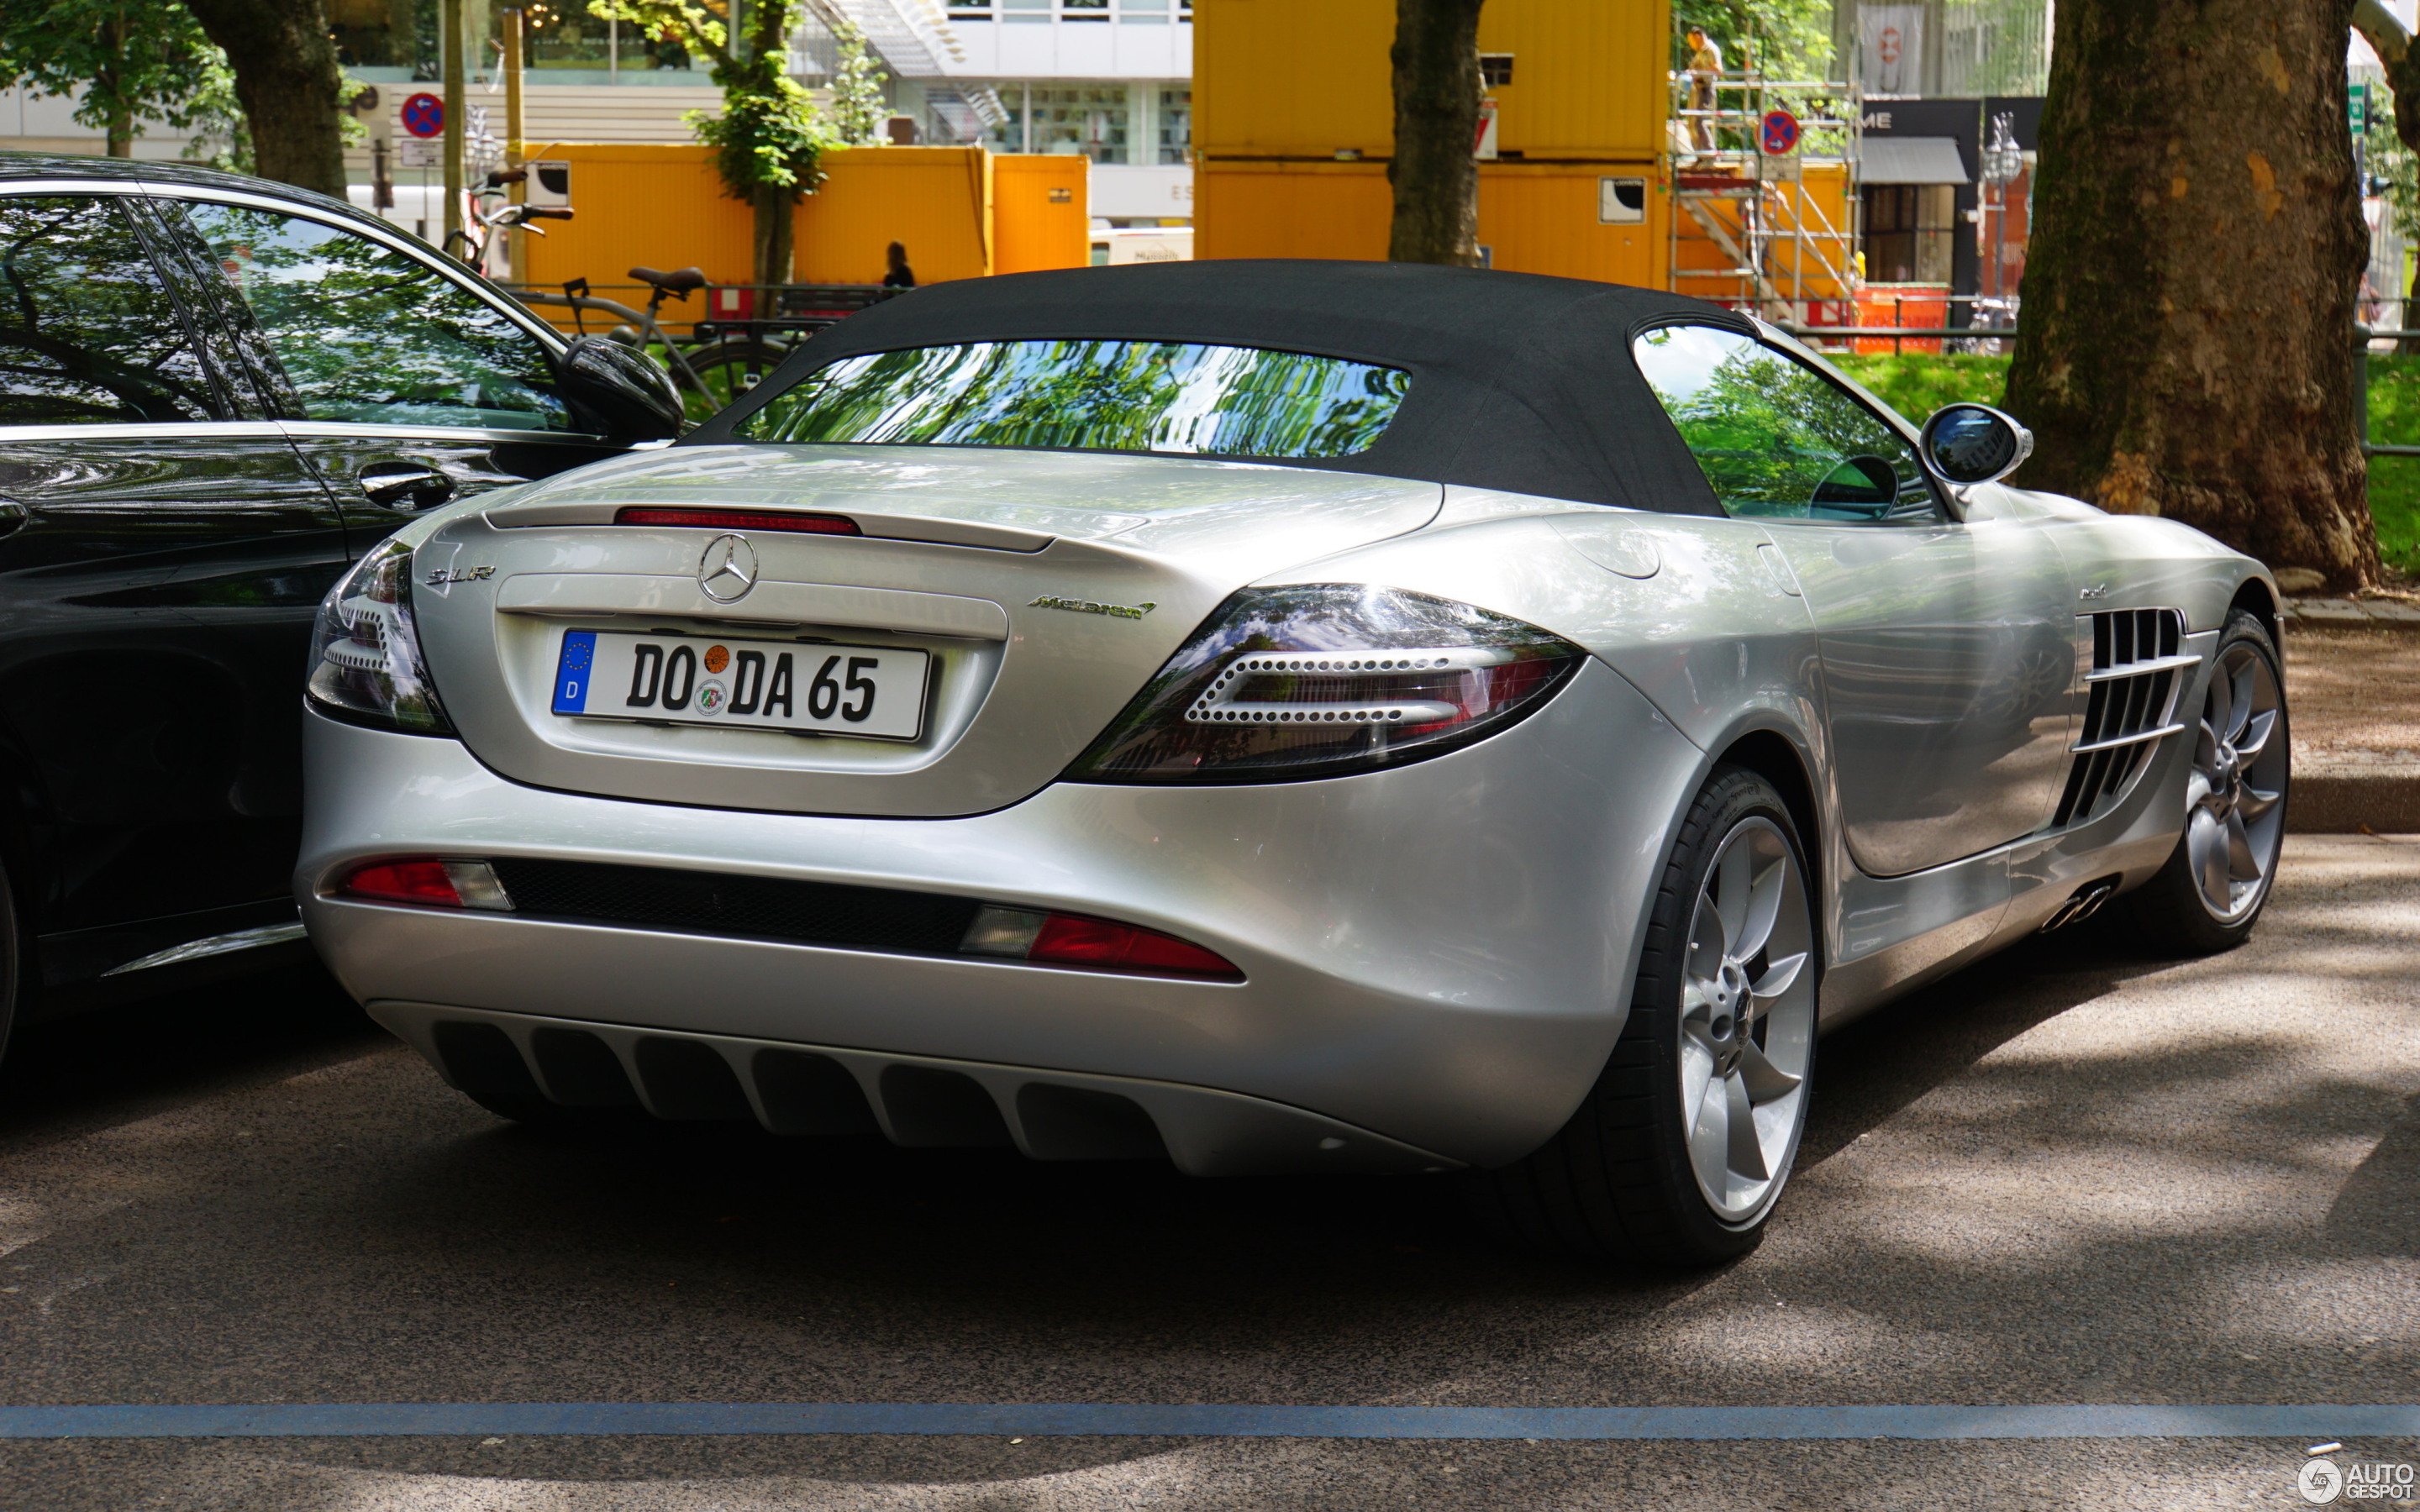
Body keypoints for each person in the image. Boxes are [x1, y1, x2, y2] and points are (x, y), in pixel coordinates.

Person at [1685, 25, 1723, 155]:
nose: (1691, 45)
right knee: (1692, 122)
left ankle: (1709, 155)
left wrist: (1698, 73)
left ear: (1697, 37)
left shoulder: (1711, 50)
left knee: (1697, 123)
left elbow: (1718, 69)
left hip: (1705, 89)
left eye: (1691, 41)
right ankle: (1700, 156)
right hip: (1697, 89)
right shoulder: (1701, 52)